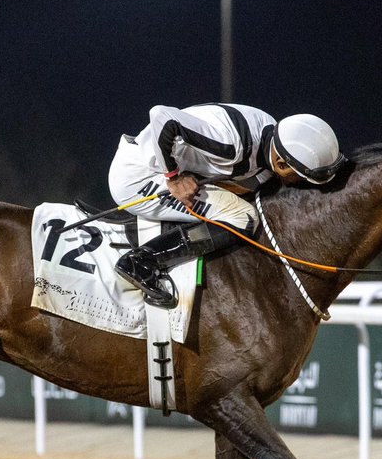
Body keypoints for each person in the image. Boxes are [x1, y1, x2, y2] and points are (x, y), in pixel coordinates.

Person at [107, 103, 343, 308]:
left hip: (150, 165)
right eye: (301, 177)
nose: (301, 183)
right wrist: (174, 178)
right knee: (243, 218)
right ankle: (141, 261)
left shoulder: (272, 134)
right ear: (281, 163)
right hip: (138, 177)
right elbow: (163, 116)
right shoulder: (232, 146)